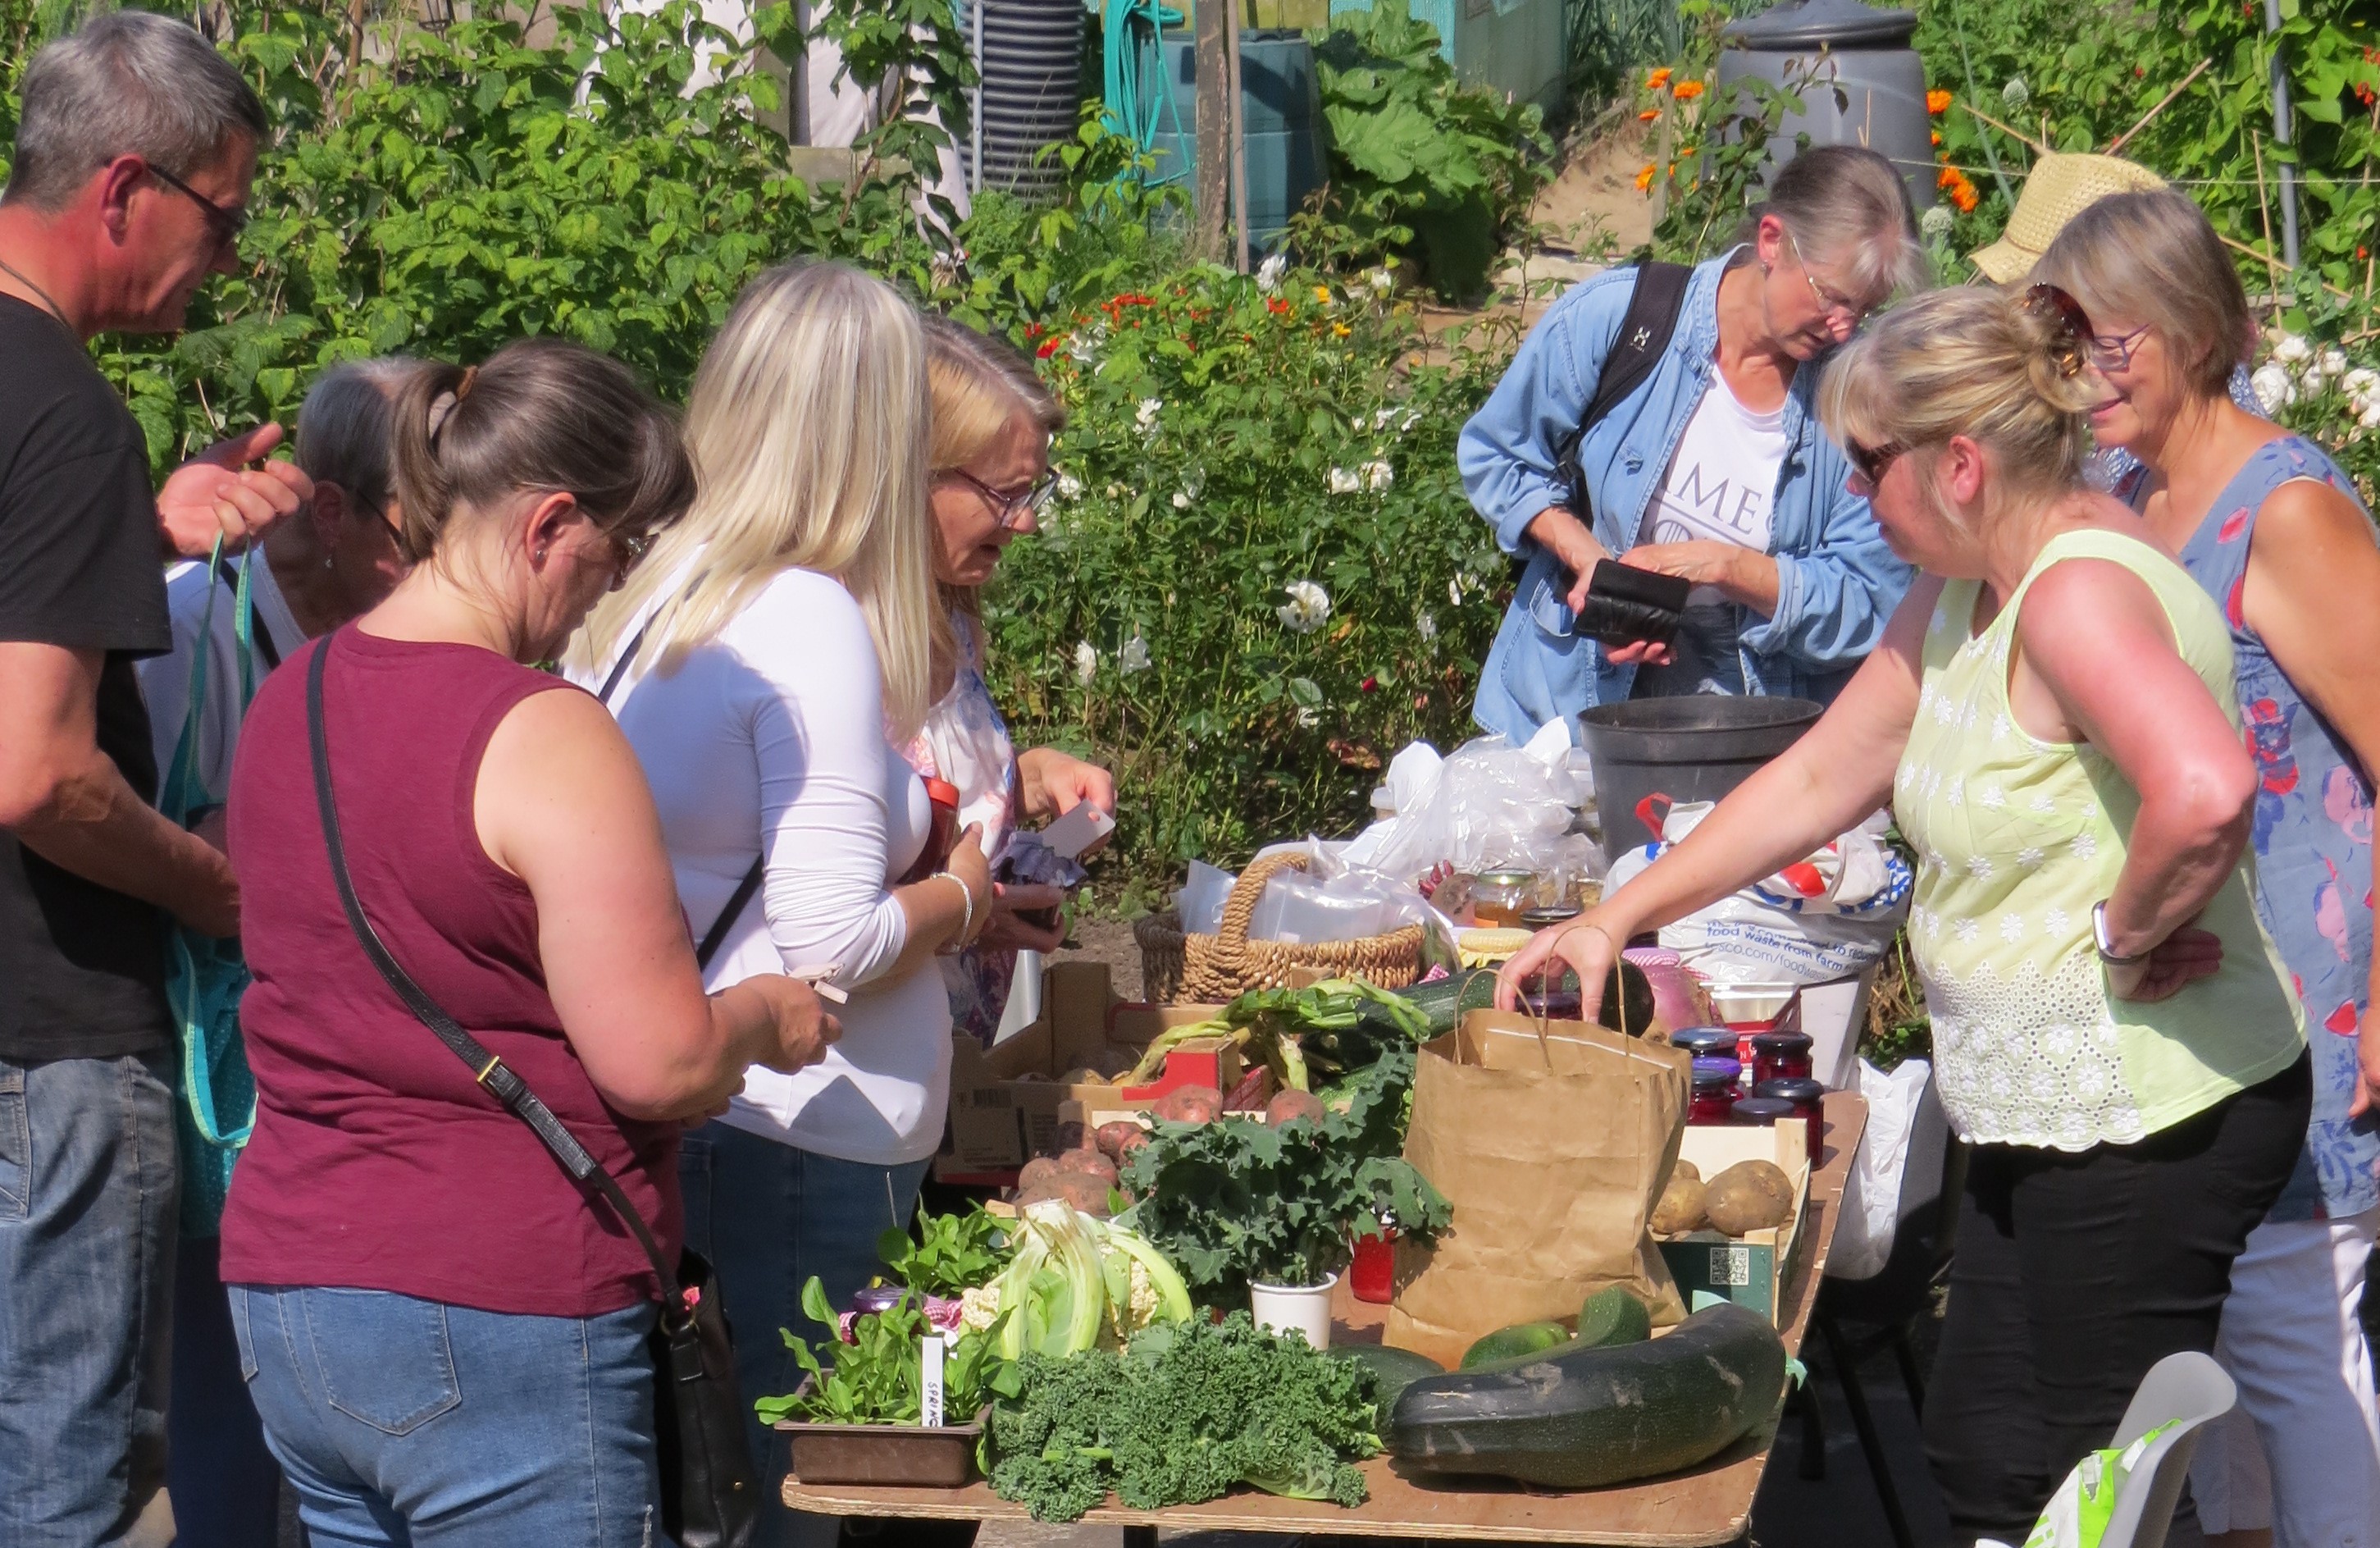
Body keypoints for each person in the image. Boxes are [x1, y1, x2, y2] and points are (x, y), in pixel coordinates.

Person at [1496, 285, 2312, 1544]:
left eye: (1869, 461)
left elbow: (2203, 791)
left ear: (1961, 465)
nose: (1852, 489)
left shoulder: (2072, 595)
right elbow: (1823, 773)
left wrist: (2127, 931)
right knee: (1982, 1444)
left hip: (2143, 1108)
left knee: (2084, 1476)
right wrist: (1620, 915)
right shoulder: (1964, 591)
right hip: (2041, 1098)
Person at [220, 340, 838, 1544]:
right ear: (549, 522)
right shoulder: (544, 731)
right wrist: (770, 1012)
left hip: (293, 1292)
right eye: (619, 548)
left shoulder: (291, 692)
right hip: (495, 1300)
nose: (612, 586)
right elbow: (658, 1060)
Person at [573, 263, 990, 1548]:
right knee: (779, 1500)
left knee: (710, 1490)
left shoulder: (656, 583)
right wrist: (960, 893)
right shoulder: (808, 612)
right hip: (801, 1131)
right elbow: (831, 940)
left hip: (712, 1109)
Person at [0, 15, 311, 1543]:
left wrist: (140, 522)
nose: (227, 262)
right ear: (126, 189)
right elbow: (39, 772)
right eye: (225, 217)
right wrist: (222, 891)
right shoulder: (61, 409)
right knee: (70, 1487)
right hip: (50, 1034)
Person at [2035, 190, 2380, 1547]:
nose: (2086, 376)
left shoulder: (2284, 511)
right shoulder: (2131, 495)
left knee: (2302, 1365)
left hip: (2310, 998)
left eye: (2108, 343)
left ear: (2185, 328)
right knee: (2219, 1390)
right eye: (2068, 348)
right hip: (2203, 1014)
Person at [132, 358, 425, 1548]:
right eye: (419, 535)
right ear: (334, 513)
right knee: (227, 1413)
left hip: (352, 1103)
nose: (443, 566)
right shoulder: (187, 635)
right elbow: (124, 842)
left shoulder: (409, 647)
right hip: (218, 1097)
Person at [1458, 144, 1923, 742]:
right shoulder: (1624, 318)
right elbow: (1499, 455)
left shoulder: (1857, 403)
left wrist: (1727, 567)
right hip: (1561, 718)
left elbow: (1868, 601)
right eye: (1831, 296)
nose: (1844, 328)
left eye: (1866, 309)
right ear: (1772, 241)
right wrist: (1592, 564)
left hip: (1745, 741)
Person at [914, 314, 1116, 1044]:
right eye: (1005, 494)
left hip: (950, 1060)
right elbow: (828, 906)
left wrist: (1030, 778)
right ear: (915, 475)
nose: (1025, 521)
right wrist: (967, 913)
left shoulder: (953, 618)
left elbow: (943, 809)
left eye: (1034, 491)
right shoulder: (837, 646)